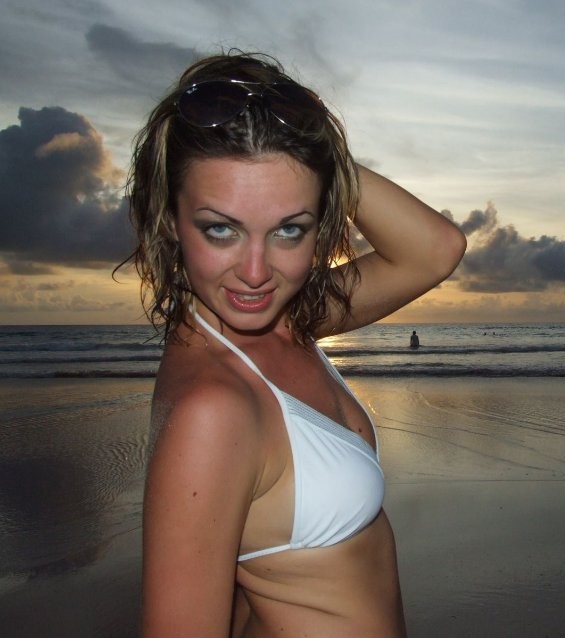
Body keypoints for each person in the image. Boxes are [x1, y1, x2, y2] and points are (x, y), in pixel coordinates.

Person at [125, 51, 466, 637]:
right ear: (167, 220)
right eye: (221, 229)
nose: (256, 272)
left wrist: (317, 154)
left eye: (289, 228)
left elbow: (435, 249)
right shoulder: (213, 410)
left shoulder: (288, 321)